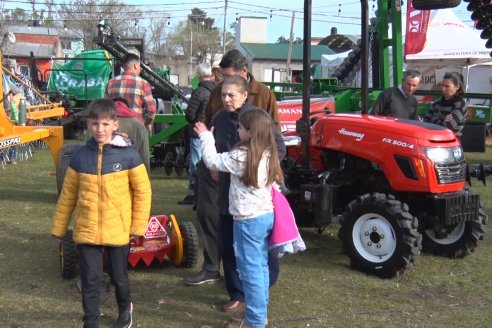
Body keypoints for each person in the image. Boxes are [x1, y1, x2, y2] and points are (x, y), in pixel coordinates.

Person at [51, 98, 152, 328]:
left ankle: (125, 309)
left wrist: (137, 227)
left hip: (118, 229)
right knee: (90, 280)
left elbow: (143, 192)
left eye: (105, 124)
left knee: (119, 278)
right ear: (88, 124)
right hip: (87, 229)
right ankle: (91, 320)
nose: (100, 129)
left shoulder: (129, 156)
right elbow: (68, 196)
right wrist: (59, 228)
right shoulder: (79, 157)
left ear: (115, 125)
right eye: (95, 124)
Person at [202, 76, 286, 316]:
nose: (226, 99)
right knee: (228, 245)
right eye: (223, 95)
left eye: (231, 95)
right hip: (228, 195)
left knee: (257, 255)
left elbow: (278, 148)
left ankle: (260, 291)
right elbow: (214, 154)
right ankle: (237, 294)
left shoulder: (257, 118)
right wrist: (214, 167)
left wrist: (256, 169)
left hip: (252, 201)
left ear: (244, 95)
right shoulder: (218, 118)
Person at [178, 63, 216, 205]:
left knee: (196, 163)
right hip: (211, 132)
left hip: (197, 133)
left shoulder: (199, 92)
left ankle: (193, 194)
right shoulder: (216, 91)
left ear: (199, 75)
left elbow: (190, 114)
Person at [86, 98, 150, 174]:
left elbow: (87, 149)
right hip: (130, 172)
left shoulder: (96, 124)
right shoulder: (139, 126)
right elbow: (144, 155)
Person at [105, 52, 156, 130]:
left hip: (115, 129)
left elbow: (105, 107)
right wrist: (146, 124)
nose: (140, 69)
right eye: (139, 66)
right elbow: (152, 110)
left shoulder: (110, 83)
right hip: (135, 128)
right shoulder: (143, 84)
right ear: (135, 66)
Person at [423, 71, 467, 136]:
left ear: (457, 86)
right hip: (433, 138)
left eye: (447, 86)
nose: (443, 89)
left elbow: (448, 126)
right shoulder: (437, 102)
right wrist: (443, 120)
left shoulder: (460, 105)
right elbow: (425, 121)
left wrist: (433, 119)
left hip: (451, 142)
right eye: (442, 85)